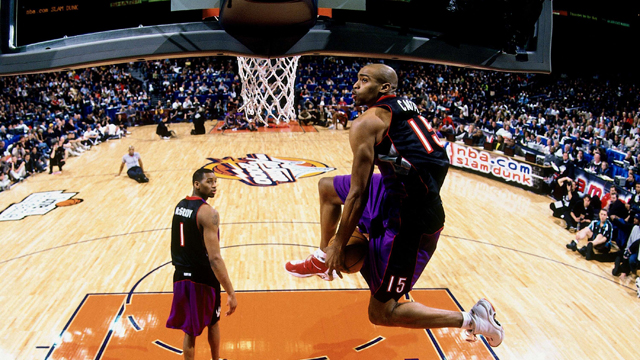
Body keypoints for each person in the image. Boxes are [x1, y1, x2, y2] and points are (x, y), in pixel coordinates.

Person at [286, 64, 503, 347]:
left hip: (412, 222)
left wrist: (339, 243)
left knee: (381, 313)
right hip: (396, 193)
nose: (355, 86)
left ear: (385, 88)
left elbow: (358, 193)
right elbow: (439, 163)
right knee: (327, 188)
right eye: (356, 80)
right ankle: (324, 261)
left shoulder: (367, 122)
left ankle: (473, 319)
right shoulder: (407, 109)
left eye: (364, 81)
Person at [166, 168, 237, 360]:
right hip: (202, 278)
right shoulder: (207, 212)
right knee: (213, 322)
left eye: (215, 181)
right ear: (197, 184)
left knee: (189, 331)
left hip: (180, 276)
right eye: (209, 182)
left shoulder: (179, 205)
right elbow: (214, 259)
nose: (214, 185)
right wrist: (230, 291)